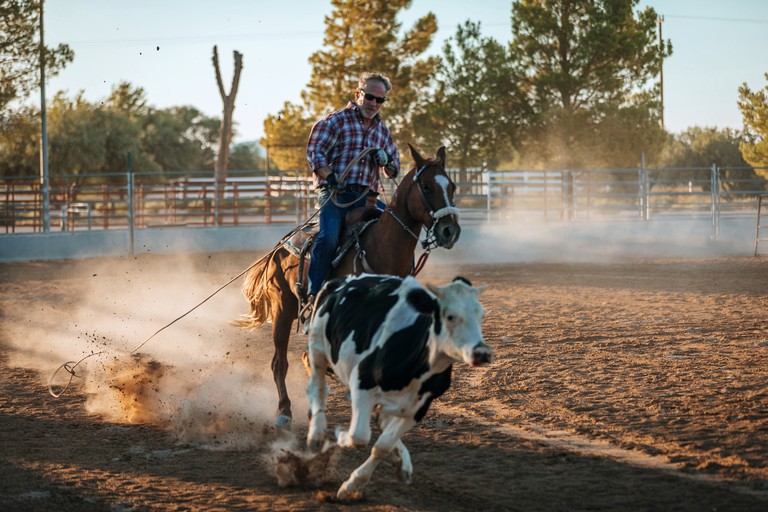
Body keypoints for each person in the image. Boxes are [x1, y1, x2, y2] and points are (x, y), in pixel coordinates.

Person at [304, 71, 400, 308]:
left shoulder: (382, 131)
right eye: (370, 97)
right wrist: (330, 176)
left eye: (380, 100)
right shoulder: (335, 121)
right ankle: (314, 295)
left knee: (398, 228)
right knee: (328, 238)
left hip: (367, 198)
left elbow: (394, 168)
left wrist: (386, 159)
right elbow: (315, 152)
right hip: (335, 195)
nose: (374, 104)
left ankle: (396, 290)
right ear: (358, 94)